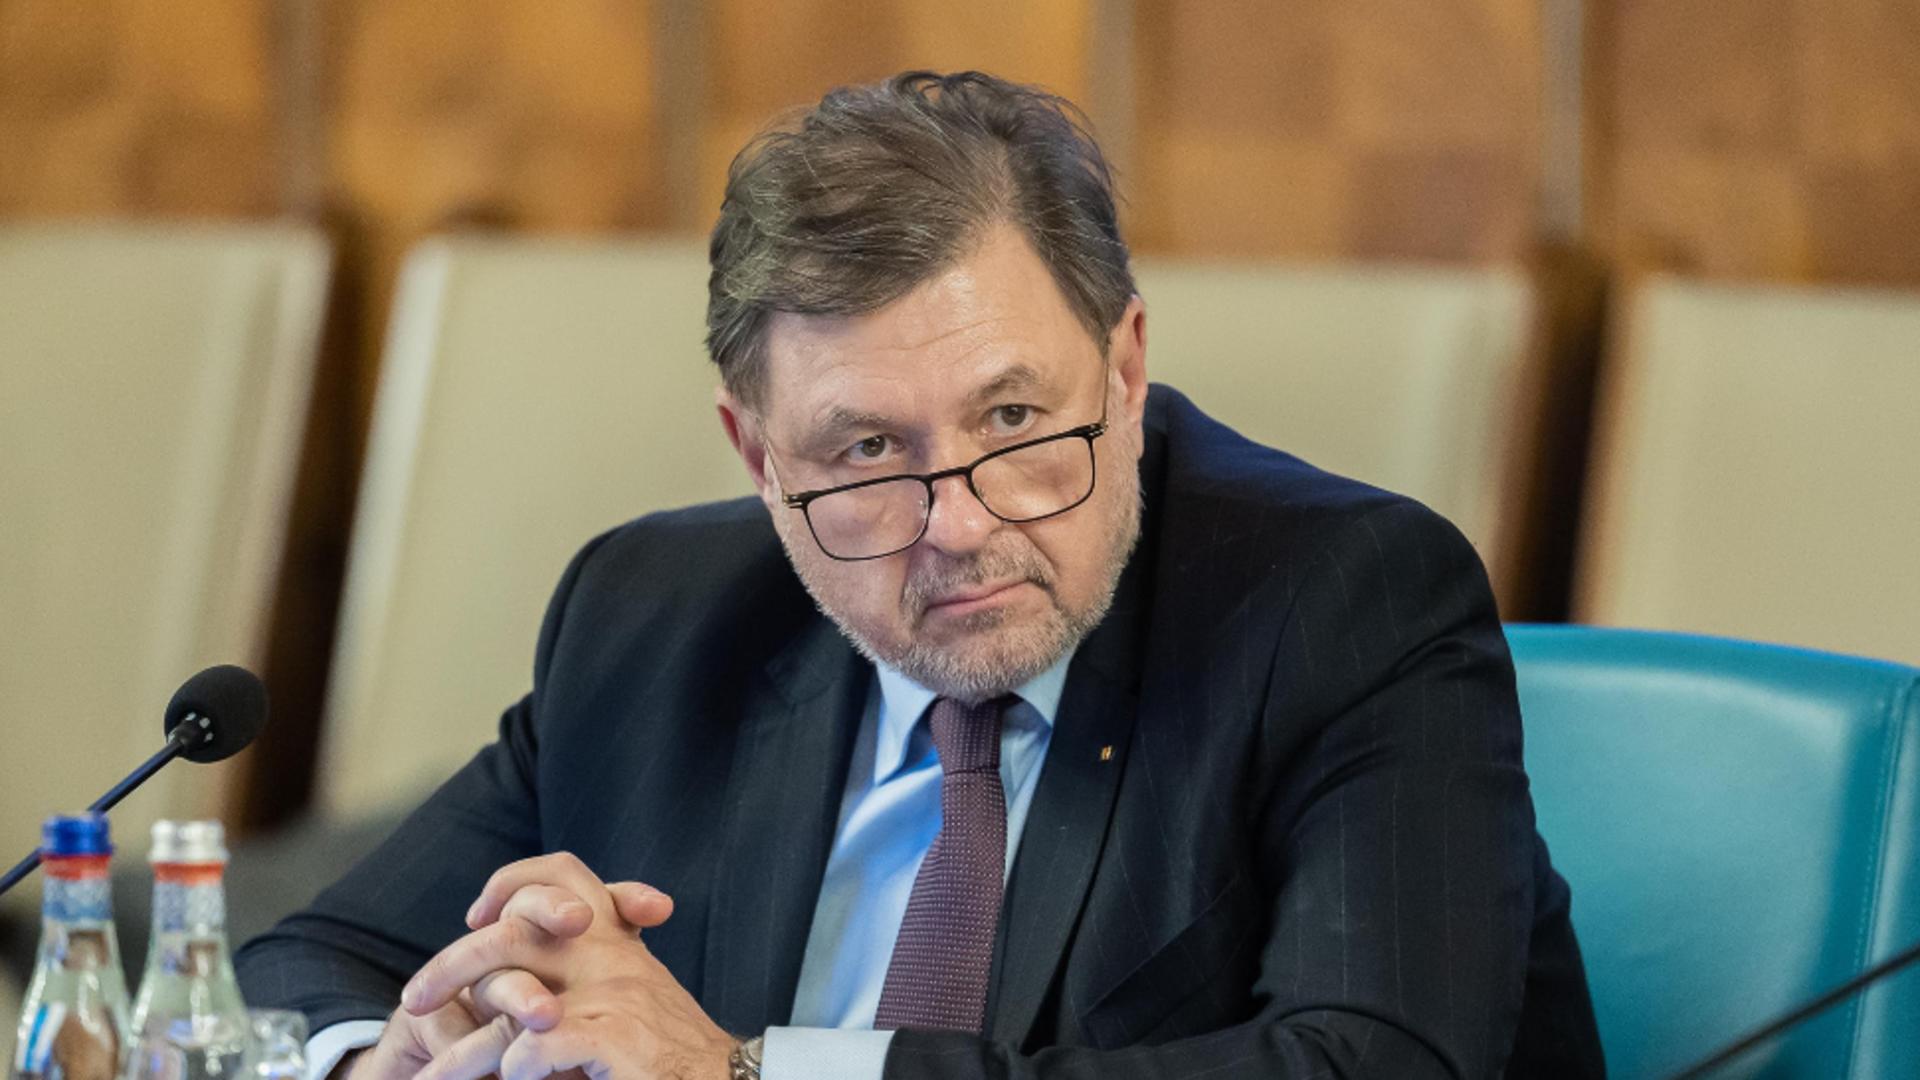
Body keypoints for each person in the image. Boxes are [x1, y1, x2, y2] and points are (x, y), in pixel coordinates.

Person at [236, 71, 1604, 1079]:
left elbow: (1373, 1064)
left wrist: (746, 1073)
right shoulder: (653, 618)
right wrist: (402, 1057)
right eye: (867, 452)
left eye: (1013, 419)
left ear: (1126, 370)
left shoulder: (1341, 603)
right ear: (758, 455)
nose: (956, 522)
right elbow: (304, 964)